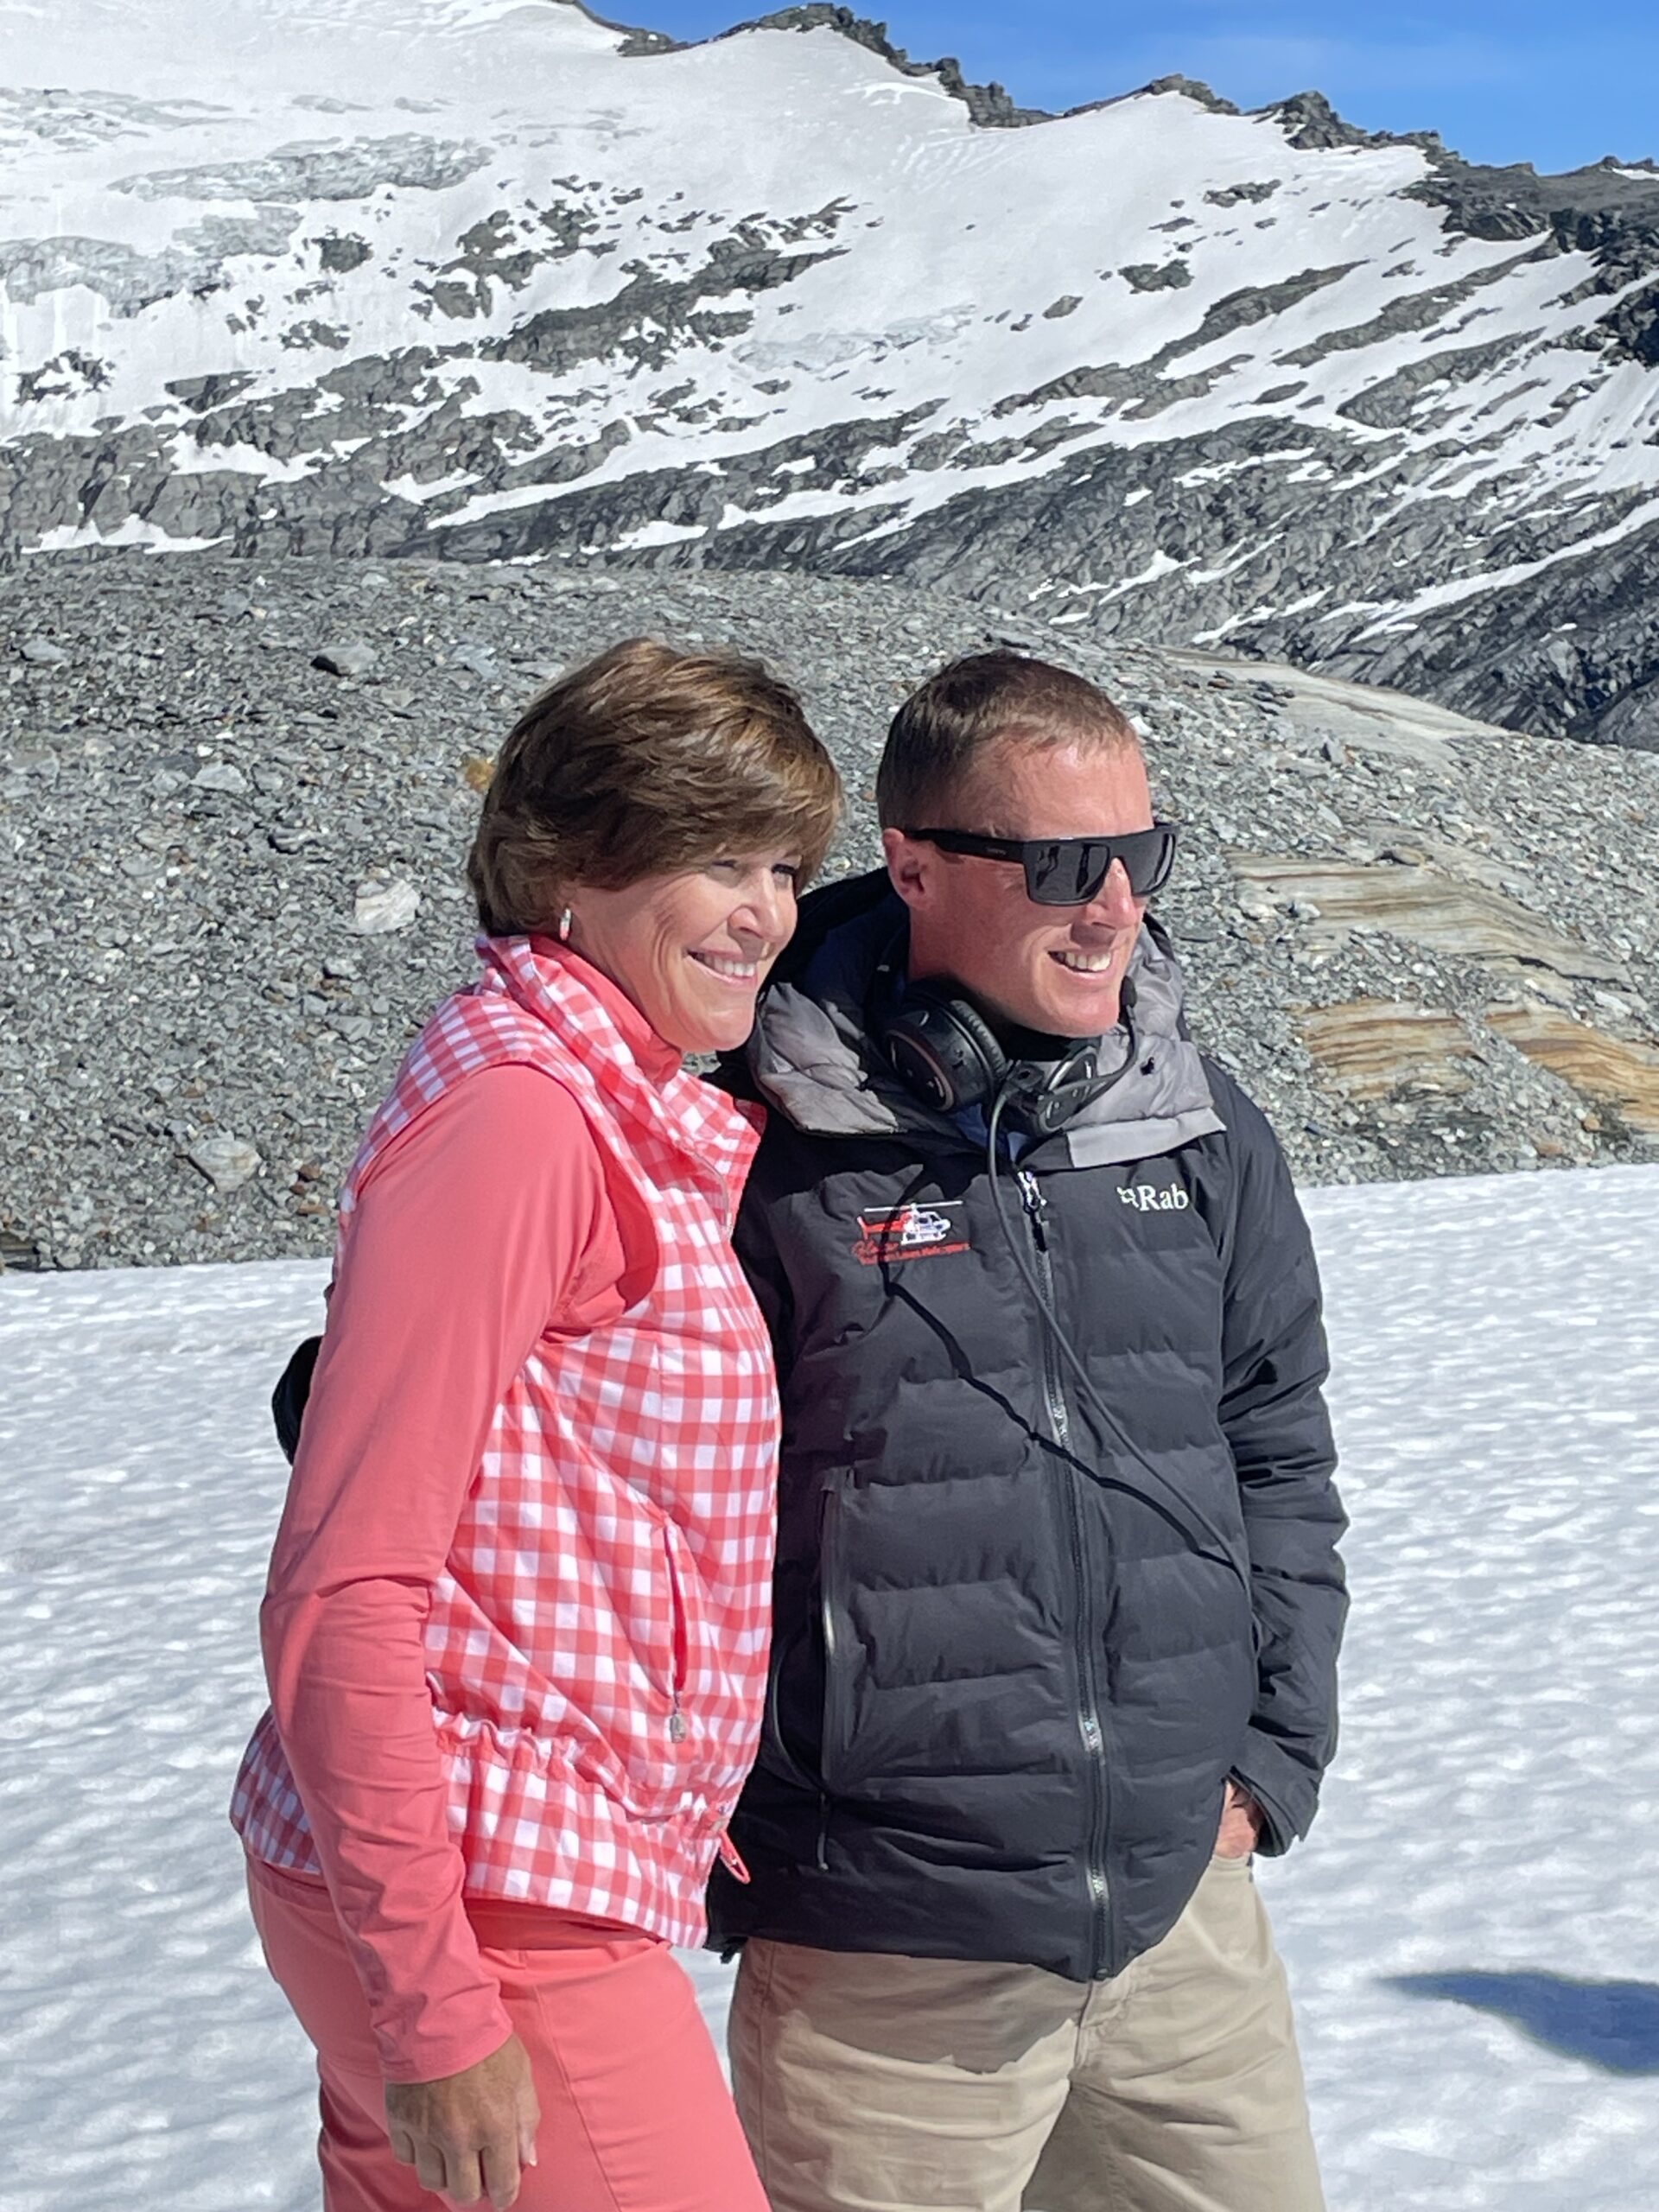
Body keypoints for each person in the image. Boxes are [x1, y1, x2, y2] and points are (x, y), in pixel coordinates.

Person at [708, 651, 1347, 2212]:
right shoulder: (748, 1140)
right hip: (884, 1973)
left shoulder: (1198, 1120)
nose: (1115, 905)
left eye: (1141, 853)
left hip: (1182, 1925)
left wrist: (1267, 1753)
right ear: (914, 867)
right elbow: (577, 1448)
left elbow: (1275, 1441)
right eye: (1063, 863)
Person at [230, 639, 841, 2212]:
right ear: (575, 864)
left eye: (783, 867)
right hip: (487, 1906)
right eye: (719, 861)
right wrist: (436, 2009)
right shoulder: (522, 1121)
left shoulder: (589, 1091)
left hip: (468, 1875)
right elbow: (342, 1584)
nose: (767, 913)